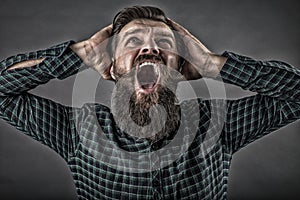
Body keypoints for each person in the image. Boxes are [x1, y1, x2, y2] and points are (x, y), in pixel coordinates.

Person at [0, 5, 299, 200]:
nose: (150, 49)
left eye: (164, 44)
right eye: (133, 41)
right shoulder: (78, 129)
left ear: (180, 67)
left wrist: (212, 64)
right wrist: (80, 53)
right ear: (113, 69)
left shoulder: (216, 124)